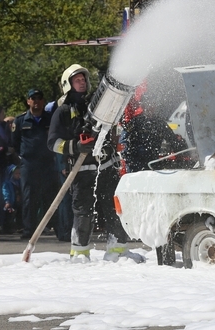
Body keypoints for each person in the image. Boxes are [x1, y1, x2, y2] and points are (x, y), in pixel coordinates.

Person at [48, 64, 144, 263]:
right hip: (82, 170)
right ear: (68, 84)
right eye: (77, 80)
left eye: (83, 79)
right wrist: (75, 146)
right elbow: (53, 143)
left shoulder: (96, 104)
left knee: (113, 209)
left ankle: (118, 251)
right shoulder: (63, 111)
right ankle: (80, 254)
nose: (82, 83)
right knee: (83, 213)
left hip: (106, 166)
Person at [12, 88, 58, 239]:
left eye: (39, 98)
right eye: (33, 98)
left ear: (43, 101)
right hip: (29, 163)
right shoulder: (20, 121)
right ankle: (28, 230)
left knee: (50, 196)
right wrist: (20, 162)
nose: (36, 101)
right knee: (29, 197)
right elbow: (15, 143)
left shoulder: (50, 118)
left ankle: (55, 228)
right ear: (28, 101)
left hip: (47, 163)